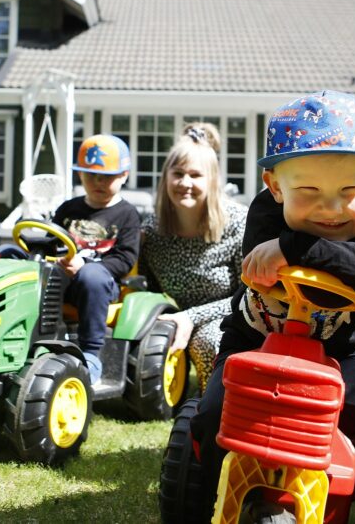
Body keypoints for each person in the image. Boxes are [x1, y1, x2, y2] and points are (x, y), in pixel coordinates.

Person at [192, 91, 355, 524]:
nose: (330, 208)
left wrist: (300, 245)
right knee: (212, 417)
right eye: (308, 190)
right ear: (275, 186)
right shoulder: (266, 212)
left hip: (343, 353)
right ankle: (201, 499)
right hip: (255, 342)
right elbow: (261, 267)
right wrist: (321, 255)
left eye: (350, 190)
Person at [139, 122, 247, 393]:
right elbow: (149, 290)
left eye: (195, 175)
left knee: (210, 340)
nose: (185, 183)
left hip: (238, 320)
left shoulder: (238, 224)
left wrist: (192, 316)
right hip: (179, 317)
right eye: (178, 173)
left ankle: (213, 409)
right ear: (166, 178)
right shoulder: (152, 232)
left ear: (211, 180)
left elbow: (252, 296)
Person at [51, 133, 141, 385]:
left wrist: (85, 264)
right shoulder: (68, 209)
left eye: (107, 176)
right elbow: (53, 239)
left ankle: (91, 352)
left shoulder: (127, 215)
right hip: (62, 276)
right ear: (80, 175)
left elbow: (124, 259)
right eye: (91, 175)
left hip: (102, 284)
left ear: (124, 175)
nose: (98, 182)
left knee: (91, 276)